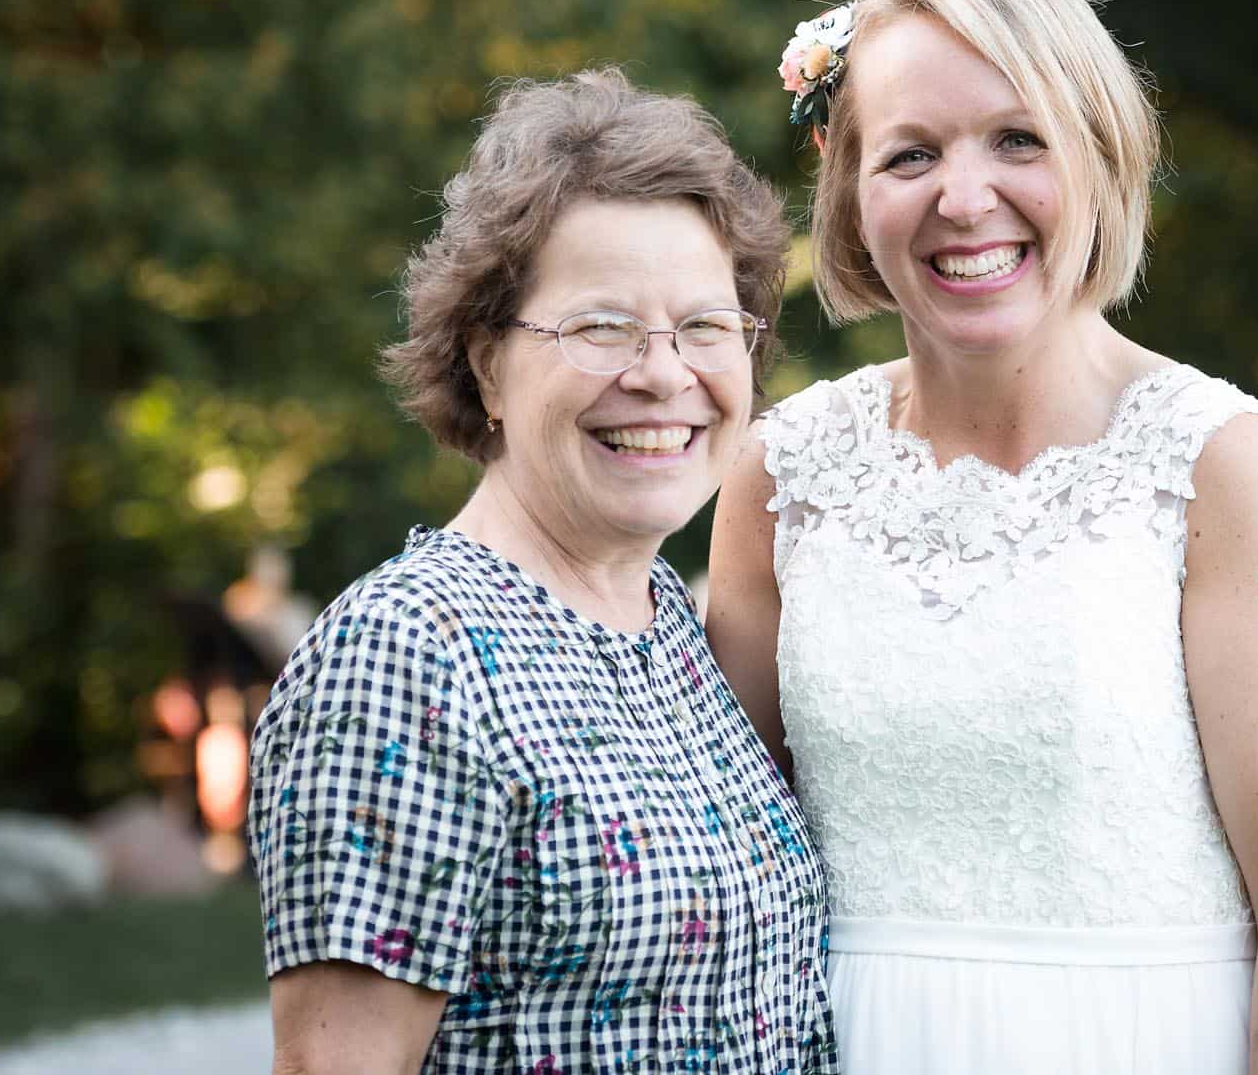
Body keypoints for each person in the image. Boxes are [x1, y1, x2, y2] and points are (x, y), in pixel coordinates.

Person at [708, 0, 1258, 1074]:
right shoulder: (779, 473)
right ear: (849, 190)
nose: (963, 199)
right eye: (909, 153)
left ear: (1098, 155)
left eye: (1017, 139)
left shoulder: (1217, 460)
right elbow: (725, 875)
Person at [247, 69, 836, 1074]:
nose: (663, 372)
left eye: (704, 326)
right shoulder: (405, 656)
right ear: (485, 364)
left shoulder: (671, 628)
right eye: (601, 326)